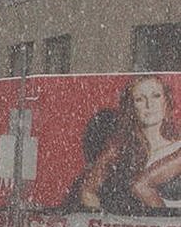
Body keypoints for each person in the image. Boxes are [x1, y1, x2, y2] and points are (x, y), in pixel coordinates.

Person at [77, 75, 181, 211]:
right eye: (139, 99)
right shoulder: (119, 149)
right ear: (130, 107)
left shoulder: (178, 149)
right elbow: (87, 192)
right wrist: (106, 221)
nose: (149, 105)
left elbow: (140, 186)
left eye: (156, 96)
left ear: (166, 101)